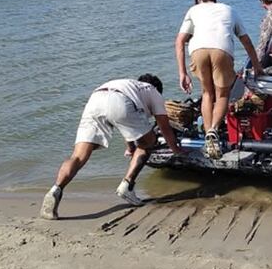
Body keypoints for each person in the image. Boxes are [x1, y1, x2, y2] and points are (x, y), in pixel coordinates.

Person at [40, 74, 187, 220]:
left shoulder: (130, 85)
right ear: (158, 89)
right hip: (120, 101)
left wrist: (130, 148)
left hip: (95, 100)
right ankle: (127, 186)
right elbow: (164, 126)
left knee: (78, 156)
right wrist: (175, 149)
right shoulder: (154, 92)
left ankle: (55, 189)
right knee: (149, 142)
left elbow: (127, 126)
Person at [175, 0, 264, 159]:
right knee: (222, 94)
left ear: (198, 0)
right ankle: (214, 130)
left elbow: (179, 42)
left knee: (207, 93)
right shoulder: (229, 10)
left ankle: (209, 136)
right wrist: (256, 65)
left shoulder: (194, 10)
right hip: (222, 49)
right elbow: (246, 41)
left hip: (197, 50)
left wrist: (182, 73)